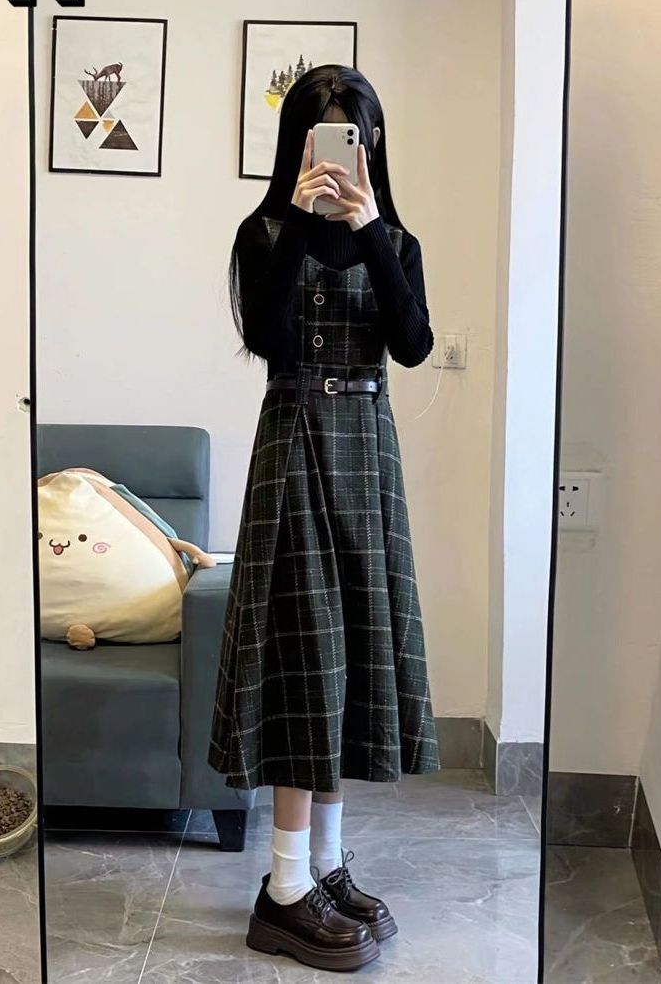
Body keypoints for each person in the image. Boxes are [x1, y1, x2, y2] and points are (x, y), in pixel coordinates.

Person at [209, 64, 440, 972]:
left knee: (351, 659)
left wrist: (367, 227)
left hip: (368, 453)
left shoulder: (397, 240)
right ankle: (284, 887)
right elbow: (267, 339)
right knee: (306, 653)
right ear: (298, 146)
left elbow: (413, 344)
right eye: (326, 136)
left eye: (358, 135)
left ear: (374, 145)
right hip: (296, 441)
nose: (345, 153)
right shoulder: (264, 233)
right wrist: (307, 223)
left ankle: (326, 866)